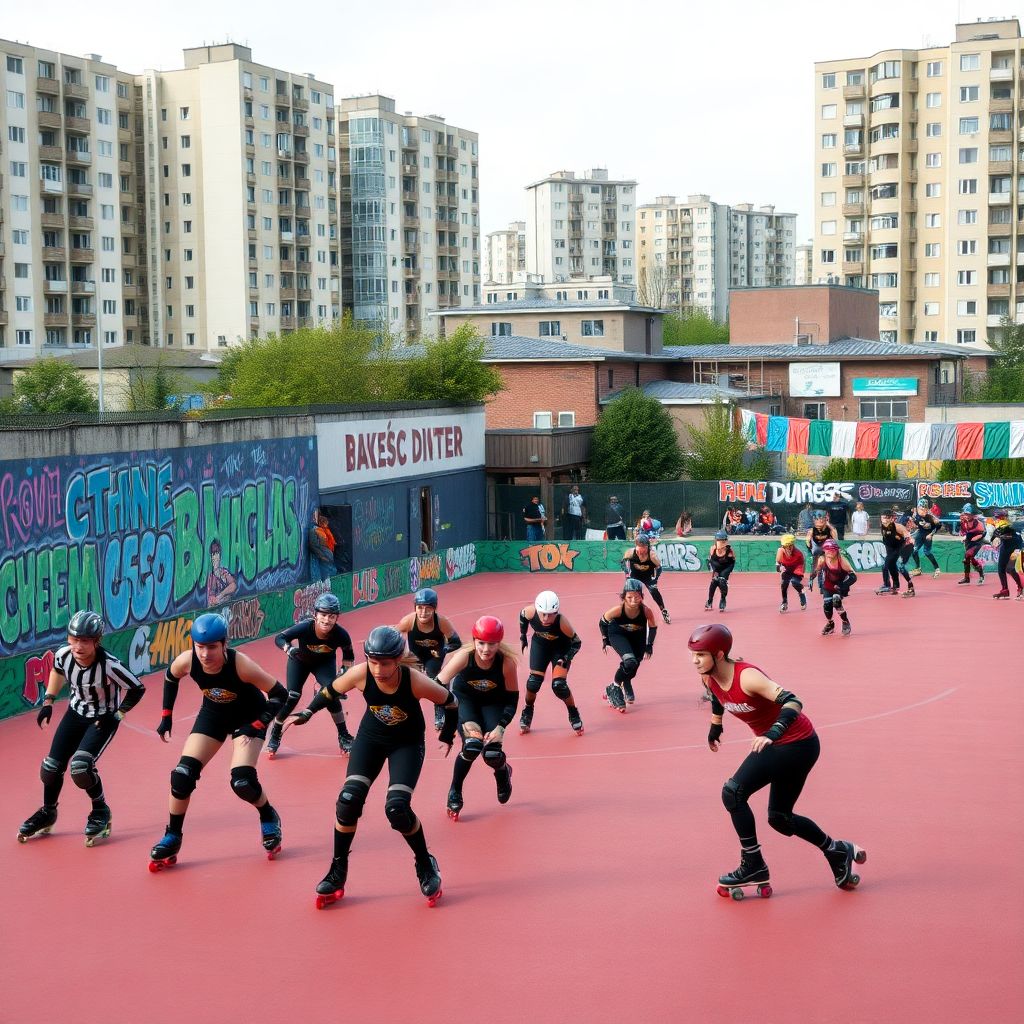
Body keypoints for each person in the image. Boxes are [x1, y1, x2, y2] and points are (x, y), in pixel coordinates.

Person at [284, 625, 459, 908]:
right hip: (371, 739)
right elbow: (330, 691)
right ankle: (337, 870)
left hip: (407, 744)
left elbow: (451, 702)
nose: (378, 669)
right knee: (348, 801)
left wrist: (447, 734)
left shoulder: (414, 681)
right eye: (373, 662)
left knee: (397, 810)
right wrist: (307, 712)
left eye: (385, 663)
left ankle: (425, 863)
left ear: (398, 659)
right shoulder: (361, 674)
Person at [687, 623, 866, 896]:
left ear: (719, 654)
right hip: (781, 745)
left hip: (796, 743)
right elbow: (716, 696)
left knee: (733, 793)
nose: (694, 660)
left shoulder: (747, 677)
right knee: (780, 819)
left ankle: (753, 864)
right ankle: (837, 850)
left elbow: (793, 701)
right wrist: (716, 724)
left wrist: (772, 733)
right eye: (693, 654)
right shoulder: (708, 677)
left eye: (700, 655)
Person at [149, 613, 289, 869]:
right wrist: (166, 715)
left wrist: (258, 724)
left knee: (242, 781)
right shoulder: (188, 660)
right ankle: (173, 836)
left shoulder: (241, 665)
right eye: (200, 647)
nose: (204, 654)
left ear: (224, 643)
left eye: (212, 647)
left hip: (249, 718)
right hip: (213, 716)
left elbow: (280, 695)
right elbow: (170, 677)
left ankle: (268, 813)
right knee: (182, 775)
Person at [18, 611, 146, 846]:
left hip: (101, 720)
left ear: (96, 642)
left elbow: (137, 688)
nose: (78, 646)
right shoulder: (64, 655)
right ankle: (48, 812)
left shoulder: (110, 665)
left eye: (85, 641)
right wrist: (48, 701)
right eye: (74, 639)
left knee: (81, 767)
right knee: (50, 768)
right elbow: (57, 671)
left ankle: (100, 810)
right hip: (75, 714)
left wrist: (118, 714)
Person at [436, 616, 520, 820]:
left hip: (494, 703)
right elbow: (438, 686)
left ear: (499, 643)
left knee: (491, 753)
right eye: (481, 643)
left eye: (492, 644)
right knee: (472, 745)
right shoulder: (464, 656)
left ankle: (502, 771)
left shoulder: (506, 663)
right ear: (474, 641)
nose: (486, 649)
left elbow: (512, 700)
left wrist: (501, 727)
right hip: (466, 702)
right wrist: (448, 730)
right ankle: (455, 790)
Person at [267, 592, 355, 758]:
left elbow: (349, 659)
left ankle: (343, 735)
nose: (326, 620)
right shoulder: (305, 627)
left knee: (331, 695)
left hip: (324, 664)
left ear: (337, 618)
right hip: (299, 661)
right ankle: (276, 732)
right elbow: (280, 638)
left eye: (331, 616)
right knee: (292, 697)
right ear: (315, 615)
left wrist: (342, 678)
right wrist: (289, 649)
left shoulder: (341, 635)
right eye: (323, 615)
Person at [394, 587, 462, 731]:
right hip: (415, 656)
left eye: (428, 609)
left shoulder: (442, 622)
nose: (423, 612)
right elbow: (394, 635)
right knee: (405, 680)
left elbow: (456, 642)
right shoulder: (409, 620)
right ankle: (405, 713)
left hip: (434, 656)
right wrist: (401, 651)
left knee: (435, 679)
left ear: (434, 609)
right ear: (415, 608)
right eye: (420, 608)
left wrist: (443, 650)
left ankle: (440, 711)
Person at [517, 591, 584, 735]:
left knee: (559, 686)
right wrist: (523, 635)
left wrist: (566, 657)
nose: (546, 618)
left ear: (556, 612)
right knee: (533, 683)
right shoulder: (530, 612)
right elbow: (522, 616)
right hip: (540, 646)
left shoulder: (562, 622)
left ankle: (573, 712)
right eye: (543, 614)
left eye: (550, 614)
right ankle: (528, 710)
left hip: (560, 650)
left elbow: (577, 643)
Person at [599, 579, 659, 711]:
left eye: (637, 597)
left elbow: (653, 627)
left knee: (633, 668)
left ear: (642, 597)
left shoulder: (646, 611)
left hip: (638, 635)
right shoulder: (618, 610)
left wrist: (649, 645)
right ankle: (613, 688)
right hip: (618, 634)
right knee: (629, 662)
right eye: (629, 597)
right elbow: (603, 621)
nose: (633, 600)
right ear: (624, 597)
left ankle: (626, 681)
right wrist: (605, 640)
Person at [622, 533, 671, 623]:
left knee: (654, 591)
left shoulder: (652, 556)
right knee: (630, 592)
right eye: (641, 547)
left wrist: (655, 579)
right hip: (634, 575)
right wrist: (627, 575)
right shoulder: (630, 553)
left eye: (645, 547)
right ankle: (629, 613)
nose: (643, 550)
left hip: (648, 576)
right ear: (636, 546)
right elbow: (624, 564)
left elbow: (659, 568)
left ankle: (663, 610)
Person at [812, 540, 857, 636]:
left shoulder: (842, 560)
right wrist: (812, 577)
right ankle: (830, 623)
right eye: (827, 550)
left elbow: (853, 577)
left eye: (832, 550)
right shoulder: (822, 559)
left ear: (837, 551)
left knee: (836, 601)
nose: (830, 552)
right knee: (827, 605)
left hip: (841, 584)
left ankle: (845, 621)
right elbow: (817, 569)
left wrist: (841, 586)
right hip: (828, 584)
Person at [875, 508, 915, 597]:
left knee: (900, 566)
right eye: (882, 518)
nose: (884, 520)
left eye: (886, 518)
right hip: (893, 549)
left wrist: (903, 553)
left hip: (905, 547)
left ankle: (911, 589)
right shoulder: (882, 526)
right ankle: (892, 586)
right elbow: (887, 541)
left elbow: (909, 539)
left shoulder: (898, 527)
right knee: (887, 565)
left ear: (891, 518)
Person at [991, 510, 1023, 600]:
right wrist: (996, 538)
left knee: (1010, 569)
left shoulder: (1014, 525)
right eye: (996, 517)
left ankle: (1020, 587)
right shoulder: (998, 525)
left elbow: (1012, 536)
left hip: (1016, 548)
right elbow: (997, 536)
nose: (997, 519)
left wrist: (1001, 536)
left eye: (999, 517)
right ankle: (1005, 590)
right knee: (1001, 569)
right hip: (1005, 547)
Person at [907, 498, 941, 578]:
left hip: (928, 534)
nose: (922, 511)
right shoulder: (915, 515)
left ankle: (937, 569)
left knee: (927, 552)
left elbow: (938, 526)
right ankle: (918, 569)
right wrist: (913, 529)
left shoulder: (931, 517)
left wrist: (931, 534)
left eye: (924, 509)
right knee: (914, 550)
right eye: (920, 509)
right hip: (920, 533)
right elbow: (916, 524)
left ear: (927, 509)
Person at [805, 510, 837, 592]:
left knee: (819, 564)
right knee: (819, 564)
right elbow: (808, 539)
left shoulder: (824, 529)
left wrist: (809, 548)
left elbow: (835, 536)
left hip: (820, 548)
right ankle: (815, 580)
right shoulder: (816, 529)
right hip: (819, 548)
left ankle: (814, 580)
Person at [775, 533, 807, 613]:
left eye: (790, 546)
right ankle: (784, 602)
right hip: (787, 568)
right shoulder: (780, 551)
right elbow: (777, 565)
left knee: (794, 582)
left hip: (797, 567)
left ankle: (801, 593)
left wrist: (801, 574)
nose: (788, 548)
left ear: (793, 545)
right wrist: (780, 568)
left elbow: (803, 565)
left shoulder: (799, 554)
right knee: (784, 584)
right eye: (786, 546)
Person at [705, 531, 736, 613]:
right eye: (718, 540)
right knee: (714, 581)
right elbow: (711, 561)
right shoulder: (713, 549)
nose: (720, 542)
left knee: (722, 581)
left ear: (725, 541)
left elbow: (733, 561)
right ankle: (709, 601)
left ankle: (723, 599)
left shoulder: (729, 550)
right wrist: (714, 570)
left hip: (726, 567)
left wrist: (728, 571)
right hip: (716, 566)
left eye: (722, 540)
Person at [958, 504, 987, 587]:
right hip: (968, 542)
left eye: (968, 514)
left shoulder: (977, 522)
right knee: (969, 559)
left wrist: (976, 537)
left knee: (968, 555)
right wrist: (963, 535)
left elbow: (983, 532)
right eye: (965, 514)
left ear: (972, 515)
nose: (966, 516)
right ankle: (968, 578)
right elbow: (962, 531)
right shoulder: (963, 522)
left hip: (976, 542)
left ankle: (980, 575)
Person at [206, 539, 237, 607]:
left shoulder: (224, 572)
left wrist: (220, 596)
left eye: (217, 553)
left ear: (220, 556)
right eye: (213, 554)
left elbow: (233, 585)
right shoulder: (211, 578)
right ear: (211, 557)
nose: (215, 557)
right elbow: (211, 602)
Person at [308, 509, 337, 583]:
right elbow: (314, 546)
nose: (326, 523)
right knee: (325, 579)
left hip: (328, 559)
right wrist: (323, 557)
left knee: (332, 576)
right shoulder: (314, 530)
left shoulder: (325, 530)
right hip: (323, 560)